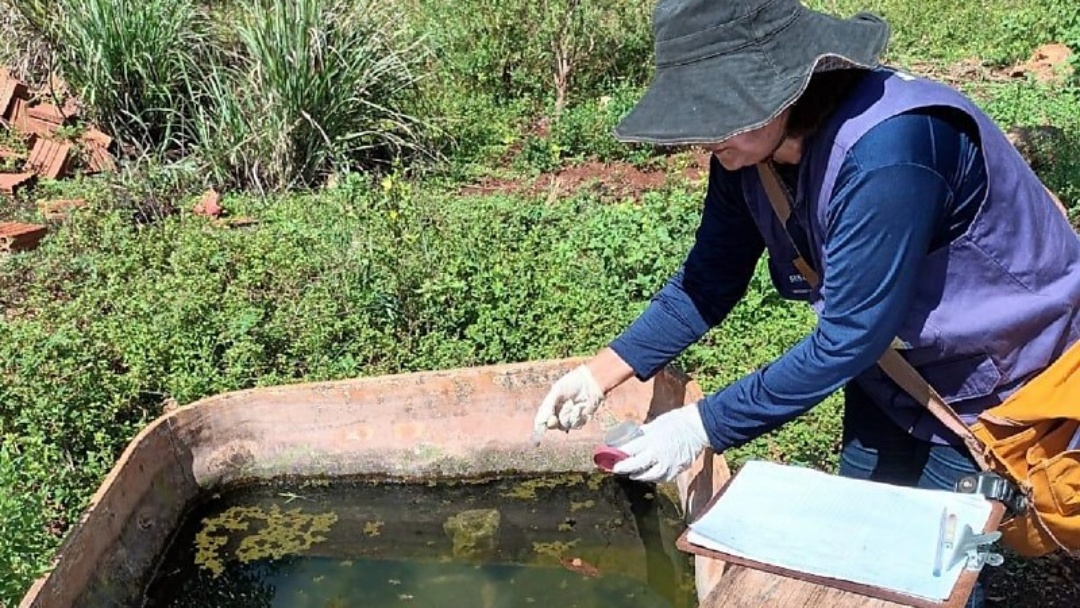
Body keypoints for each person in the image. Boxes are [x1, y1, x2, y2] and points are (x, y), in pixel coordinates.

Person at [532, 2, 1080, 604]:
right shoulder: (747, 151)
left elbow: (848, 337)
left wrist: (698, 426)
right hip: (896, 373)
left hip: (994, 382)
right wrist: (600, 372)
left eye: (718, 117)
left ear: (780, 89)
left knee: (941, 562)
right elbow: (709, 280)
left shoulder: (893, 153)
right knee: (862, 540)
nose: (705, 140)